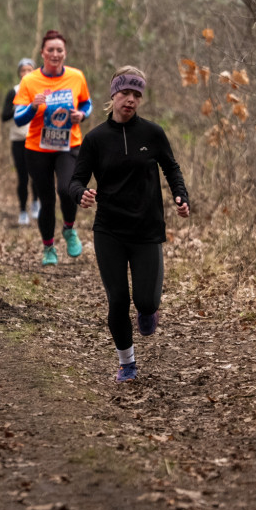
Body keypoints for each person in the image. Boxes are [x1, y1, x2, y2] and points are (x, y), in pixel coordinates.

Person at [69, 66, 190, 383]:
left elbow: (171, 168)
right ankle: (127, 364)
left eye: (137, 94)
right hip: (109, 230)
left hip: (147, 229)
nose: (131, 100)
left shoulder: (152, 133)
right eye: (126, 93)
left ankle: (149, 312)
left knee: (146, 301)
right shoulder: (95, 139)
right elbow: (76, 179)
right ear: (113, 95)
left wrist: (180, 196)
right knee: (118, 300)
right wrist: (81, 193)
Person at [13, 30, 92, 266]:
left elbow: (86, 103)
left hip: (69, 145)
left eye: (59, 50)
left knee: (68, 190)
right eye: (50, 50)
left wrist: (82, 114)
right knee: (46, 200)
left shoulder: (77, 77)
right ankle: (48, 247)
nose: (55, 54)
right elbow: (18, 119)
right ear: (42, 53)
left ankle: (69, 229)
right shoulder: (30, 81)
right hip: (37, 149)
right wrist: (33, 108)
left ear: (65, 53)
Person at [1, 58, 41, 226]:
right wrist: (17, 109)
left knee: (38, 175)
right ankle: (23, 211)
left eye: (29, 70)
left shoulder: (40, 91)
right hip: (18, 139)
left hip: (38, 138)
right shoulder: (14, 91)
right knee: (22, 176)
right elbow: (4, 116)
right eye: (23, 70)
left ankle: (36, 203)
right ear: (19, 73)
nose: (26, 73)